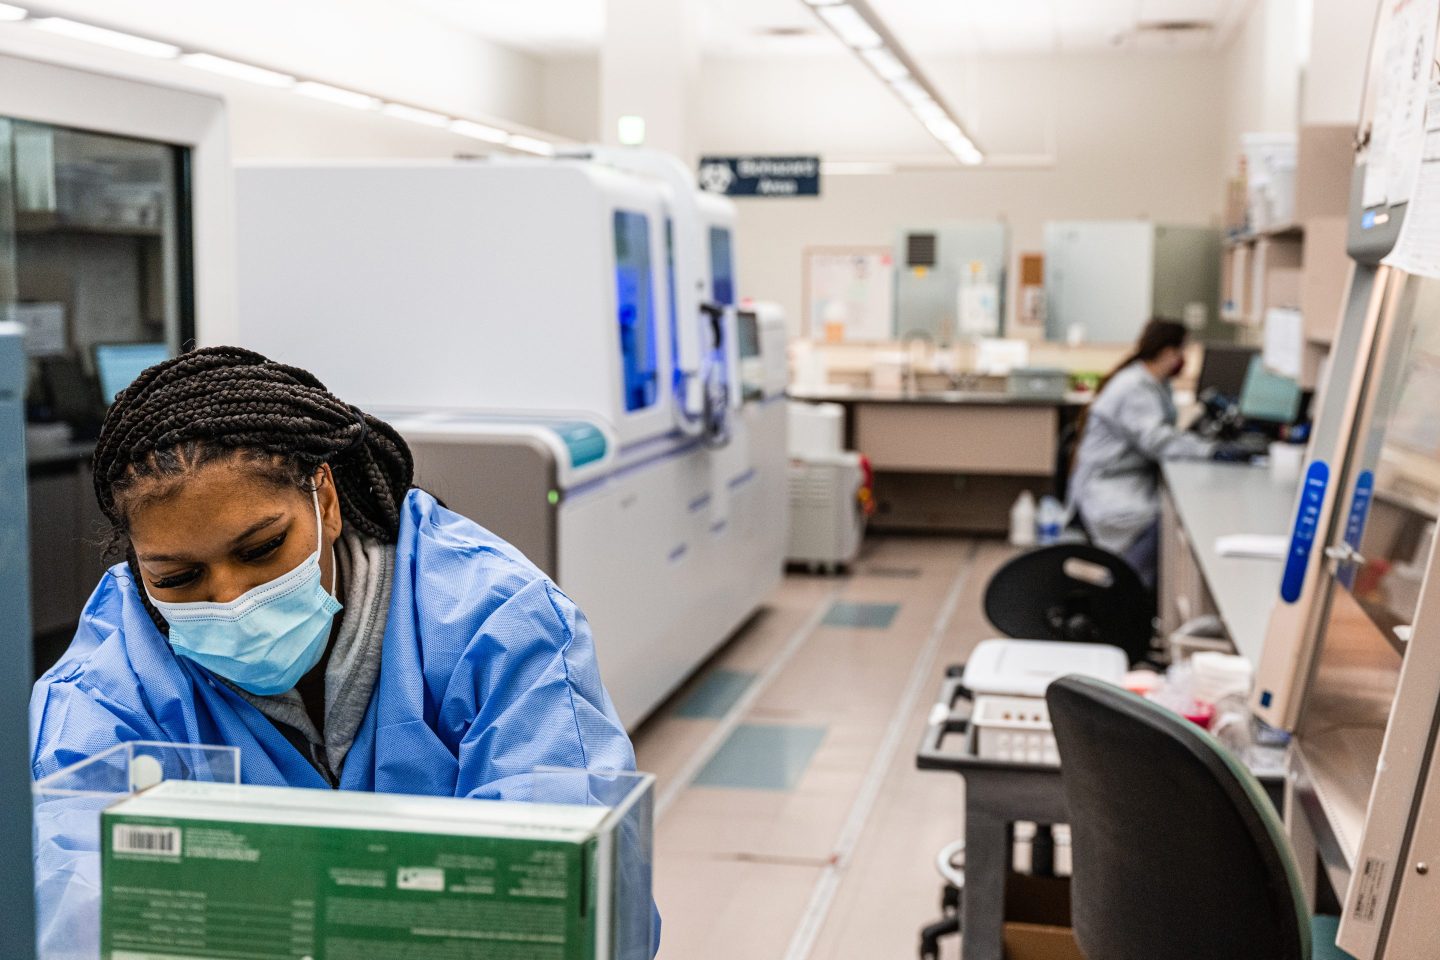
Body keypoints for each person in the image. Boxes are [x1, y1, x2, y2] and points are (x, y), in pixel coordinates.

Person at [29, 346, 657, 955]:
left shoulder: (495, 623)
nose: (230, 599)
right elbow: (71, 905)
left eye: (262, 549)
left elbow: (578, 896)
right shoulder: (106, 684)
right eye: (177, 578)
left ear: (324, 501)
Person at [1070, 319, 1216, 589]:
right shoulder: (1134, 387)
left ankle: (1131, 591)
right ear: (1168, 352)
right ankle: (1124, 591)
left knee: (1170, 516)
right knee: (1167, 522)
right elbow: (1156, 440)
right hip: (1109, 488)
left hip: (1126, 479)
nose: (1183, 359)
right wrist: (1211, 451)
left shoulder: (1151, 382)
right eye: (1182, 351)